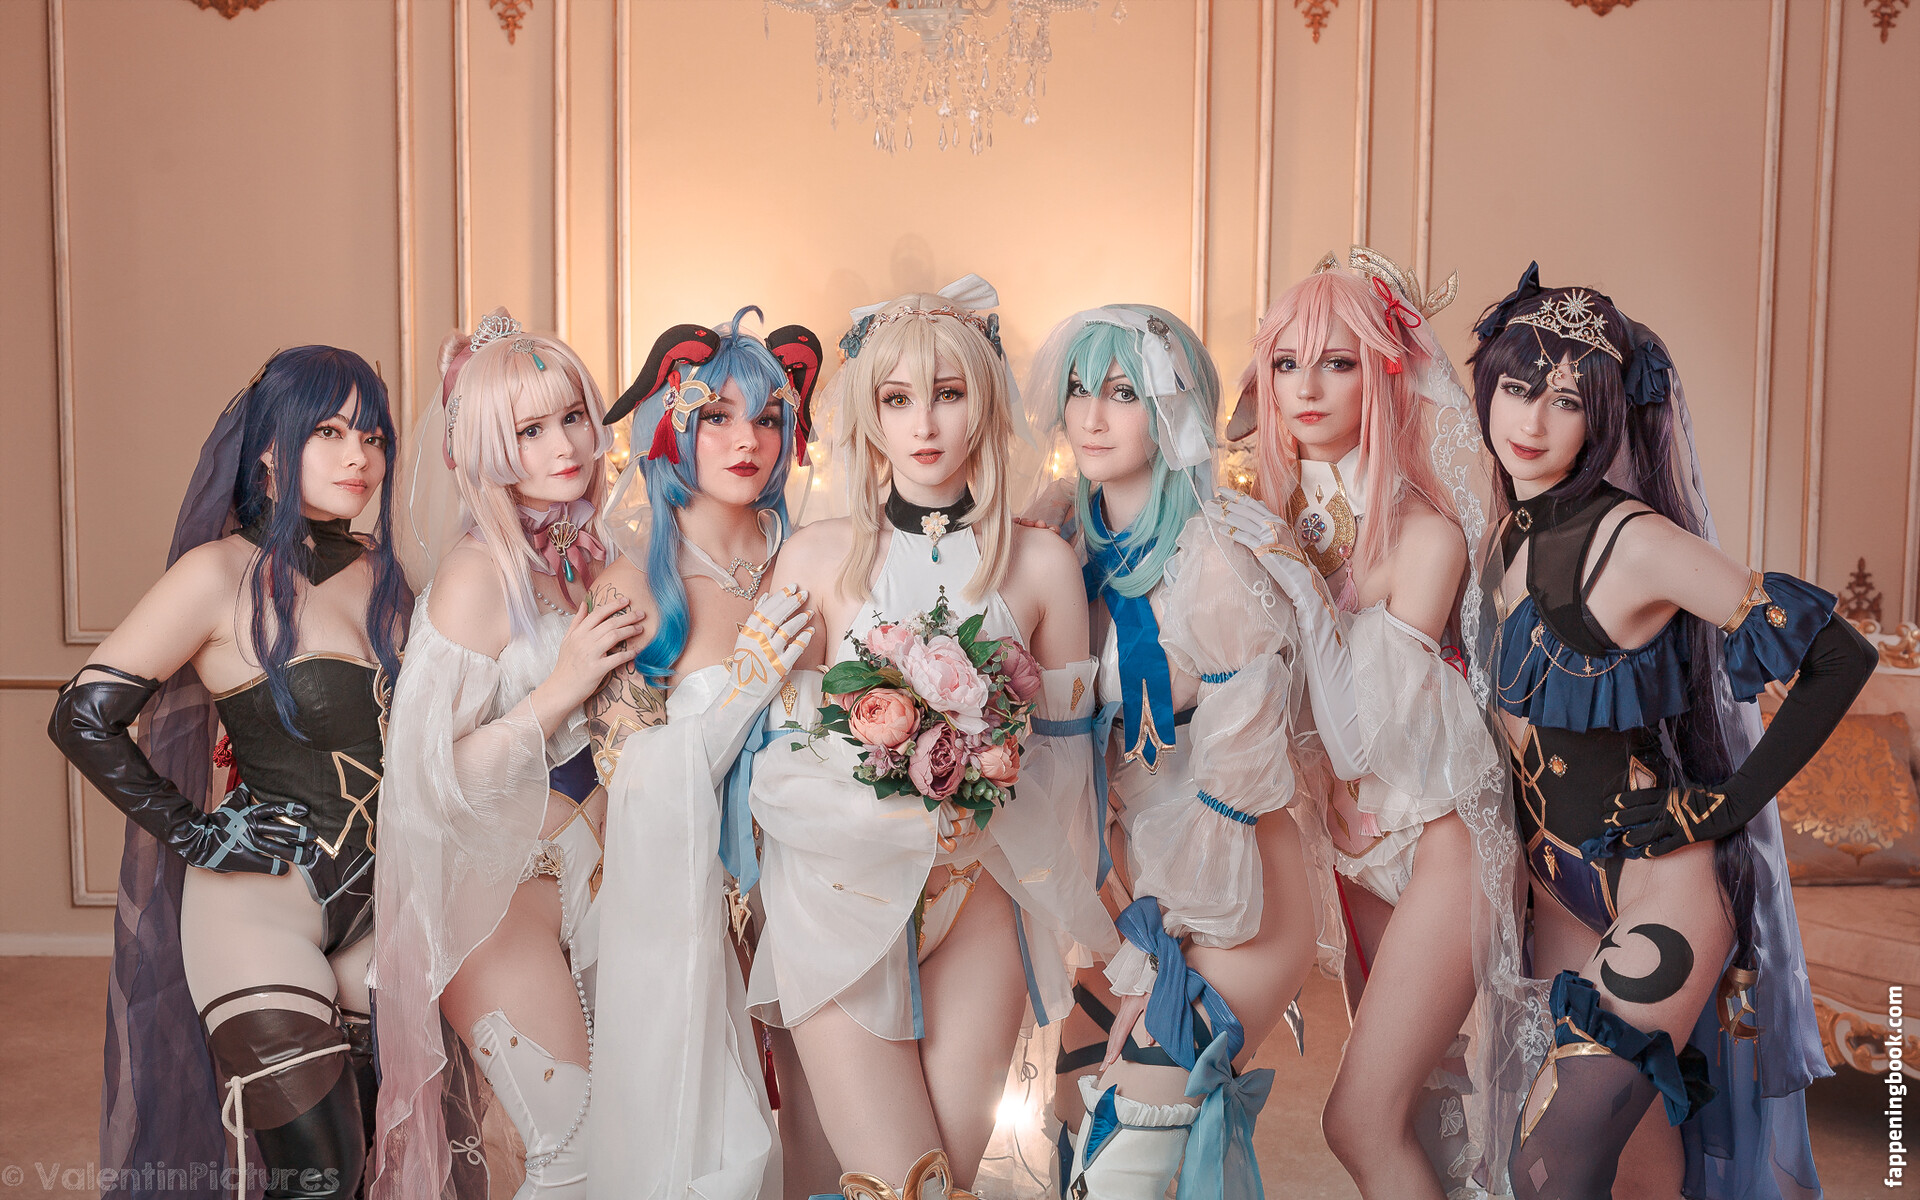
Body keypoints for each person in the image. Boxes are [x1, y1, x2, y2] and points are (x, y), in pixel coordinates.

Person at [1469, 265, 1874, 1199]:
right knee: (1637, 1174)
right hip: (1556, 894)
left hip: (1664, 886)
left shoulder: (1638, 541)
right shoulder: (1501, 532)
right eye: (1518, 388)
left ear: (1605, 418)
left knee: (1547, 1168)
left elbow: (1840, 654)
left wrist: (1729, 805)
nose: (1532, 421)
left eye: (1568, 401)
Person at [745, 276, 1117, 1200]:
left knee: (947, 1182)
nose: (924, 424)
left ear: (981, 400)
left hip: (981, 897)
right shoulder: (814, 557)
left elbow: (1069, 777)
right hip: (835, 899)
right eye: (897, 398)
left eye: (947, 394)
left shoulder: (1041, 564)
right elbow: (774, 767)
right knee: (896, 1182)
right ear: (869, 415)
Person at [49, 346, 406, 1198]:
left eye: (372, 435)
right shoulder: (216, 574)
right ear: (271, 449)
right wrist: (196, 832)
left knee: (376, 1172)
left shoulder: (391, 576)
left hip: (385, 905)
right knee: (320, 1180)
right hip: (260, 906)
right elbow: (81, 715)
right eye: (329, 432)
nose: (359, 456)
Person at [1211, 250, 1527, 1197]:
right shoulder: (1250, 518)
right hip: (1347, 848)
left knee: (1356, 1121)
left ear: (1384, 373)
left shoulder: (1424, 537)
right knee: (1419, 1116)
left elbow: (1363, 738)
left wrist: (1298, 591)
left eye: (1337, 362)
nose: (1306, 388)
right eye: (1285, 363)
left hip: (1440, 842)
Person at [1022, 304, 1345, 1199]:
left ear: (1174, 410)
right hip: (1130, 896)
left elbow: (1247, 748)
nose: (1092, 415)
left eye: (1124, 393)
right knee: (1069, 1139)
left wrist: (1165, 940)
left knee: (1129, 1152)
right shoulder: (1066, 544)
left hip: (1230, 892)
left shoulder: (1216, 552)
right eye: (1080, 389)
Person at [369, 310, 644, 1200]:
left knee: (641, 1143)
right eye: (529, 430)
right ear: (487, 445)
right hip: (491, 894)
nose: (564, 446)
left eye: (573, 416)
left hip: (600, 875)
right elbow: (430, 782)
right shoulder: (473, 575)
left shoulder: (596, 553)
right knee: (575, 1152)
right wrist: (562, 685)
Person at [583, 308, 826, 1198]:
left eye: (767, 417)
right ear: (669, 427)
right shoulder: (628, 592)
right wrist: (745, 683)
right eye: (716, 416)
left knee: (838, 1138)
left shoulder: (820, 563)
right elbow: (629, 787)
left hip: (828, 899)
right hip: (701, 921)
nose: (746, 440)